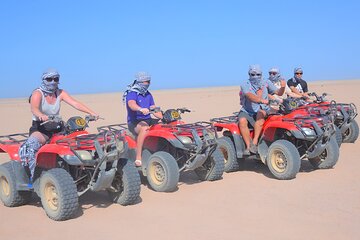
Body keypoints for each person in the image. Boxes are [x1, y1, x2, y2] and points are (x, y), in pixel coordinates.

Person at [19, 68, 99, 184]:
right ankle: (33, 178)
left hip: (58, 128)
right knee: (30, 148)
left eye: (55, 79)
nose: (52, 82)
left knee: (77, 144)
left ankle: (83, 173)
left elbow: (74, 103)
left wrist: (91, 112)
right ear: (44, 79)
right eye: (49, 79)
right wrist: (41, 115)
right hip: (41, 128)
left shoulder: (60, 92)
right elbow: (34, 108)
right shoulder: (37, 93)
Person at [239, 65, 286, 155]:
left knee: (261, 114)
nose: (255, 77)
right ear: (249, 74)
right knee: (242, 121)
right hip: (247, 110)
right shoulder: (245, 84)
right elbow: (250, 96)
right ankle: (249, 147)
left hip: (262, 109)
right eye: (253, 74)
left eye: (258, 74)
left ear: (261, 74)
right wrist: (260, 99)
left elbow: (278, 93)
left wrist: (283, 87)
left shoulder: (266, 82)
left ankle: (255, 142)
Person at [123, 72, 162, 166]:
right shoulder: (132, 93)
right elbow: (131, 104)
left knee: (164, 125)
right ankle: (138, 156)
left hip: (147, 119)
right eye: (146, 81)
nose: (148, 83)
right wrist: (140, 109)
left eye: (149, 81)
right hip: (135, 122)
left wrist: (163, 117)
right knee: (144, 128)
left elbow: (153, 108)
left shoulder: (148, 94)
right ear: (140, 81)